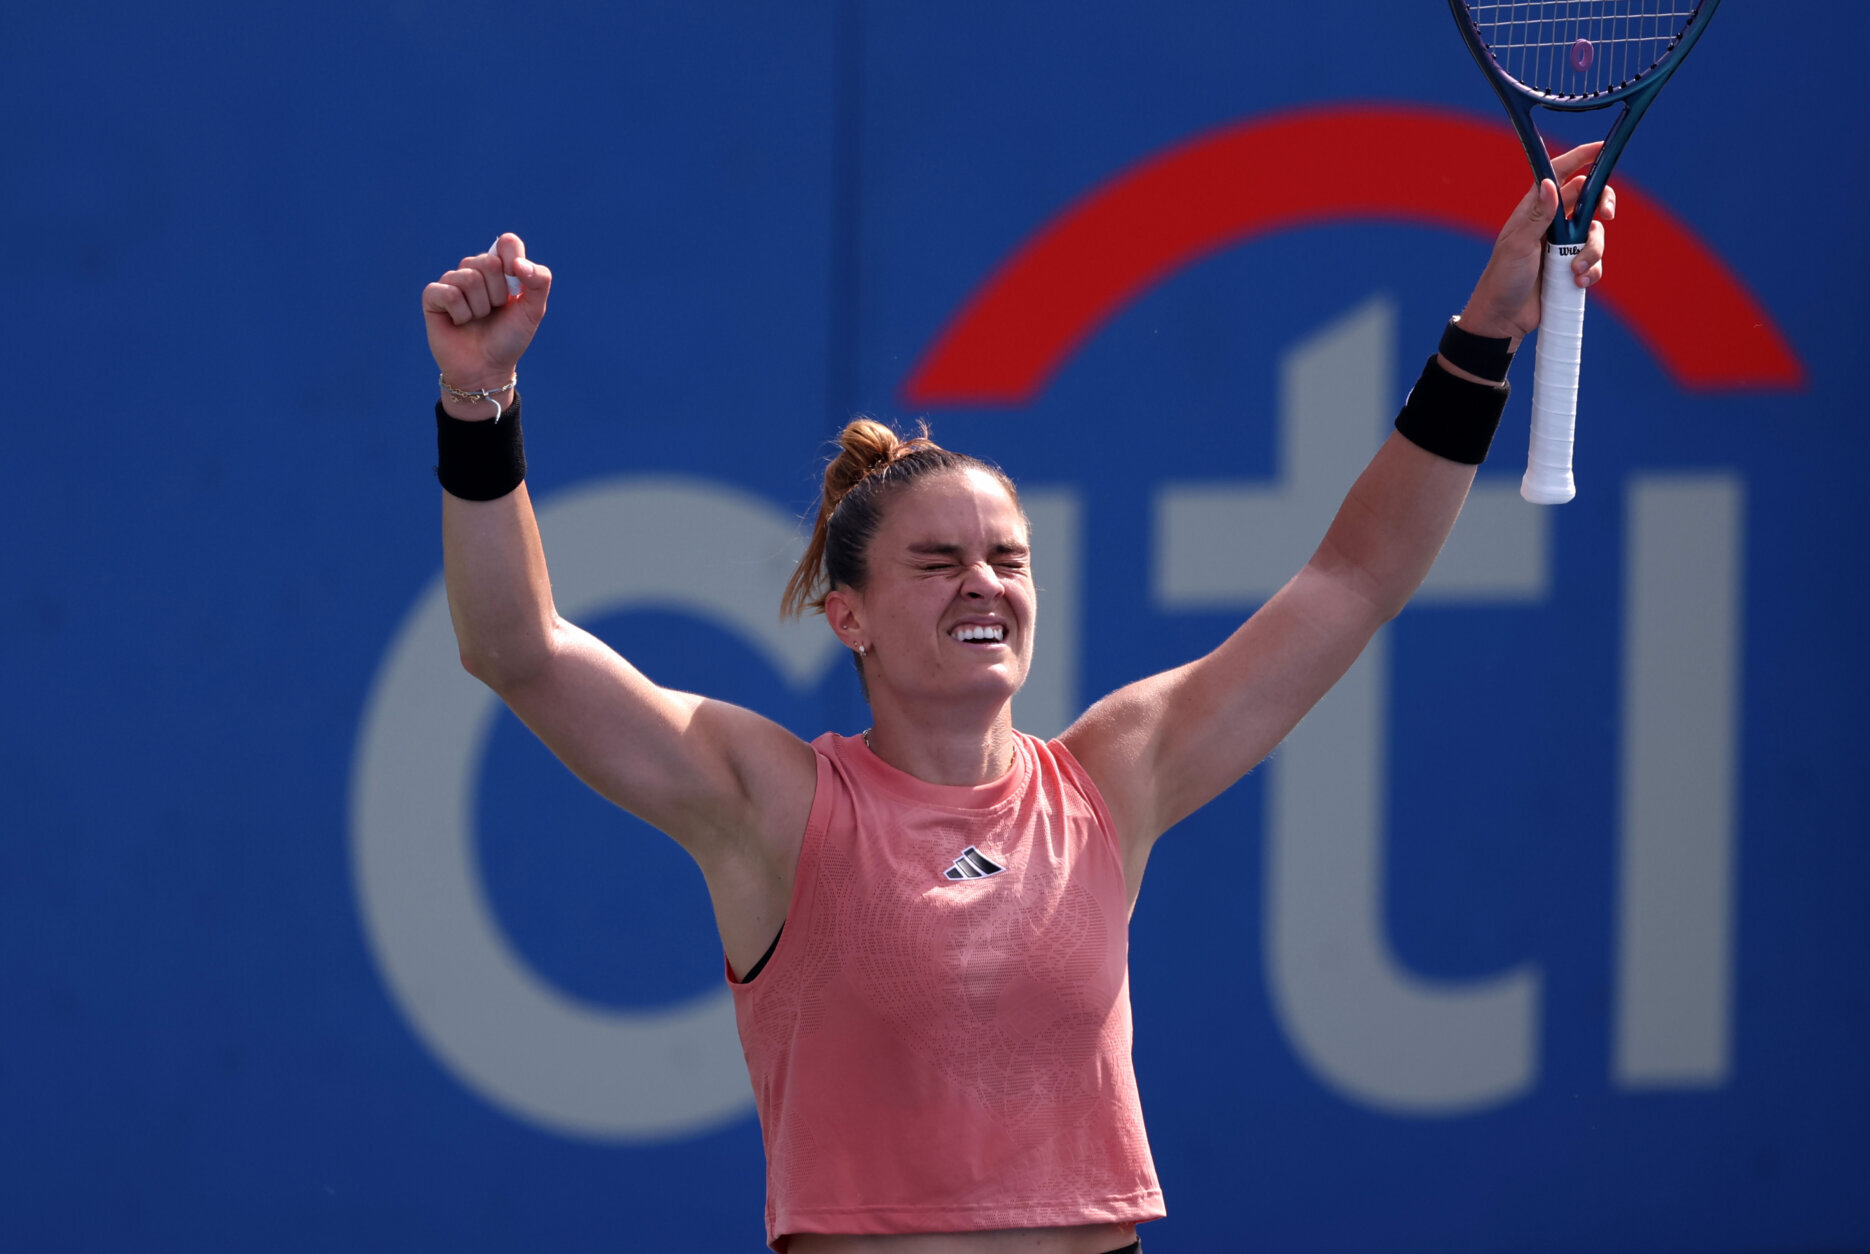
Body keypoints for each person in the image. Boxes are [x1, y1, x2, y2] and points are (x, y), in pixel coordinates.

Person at [420, 144, 1615, 1254]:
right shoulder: (770, 802)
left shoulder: (1113, 776)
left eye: (1007, 558)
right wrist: (479, 401)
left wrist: (1486, 328)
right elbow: (516, 648)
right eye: (937, 563)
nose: (983, 583)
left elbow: (1354, 578)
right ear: (849, 618)